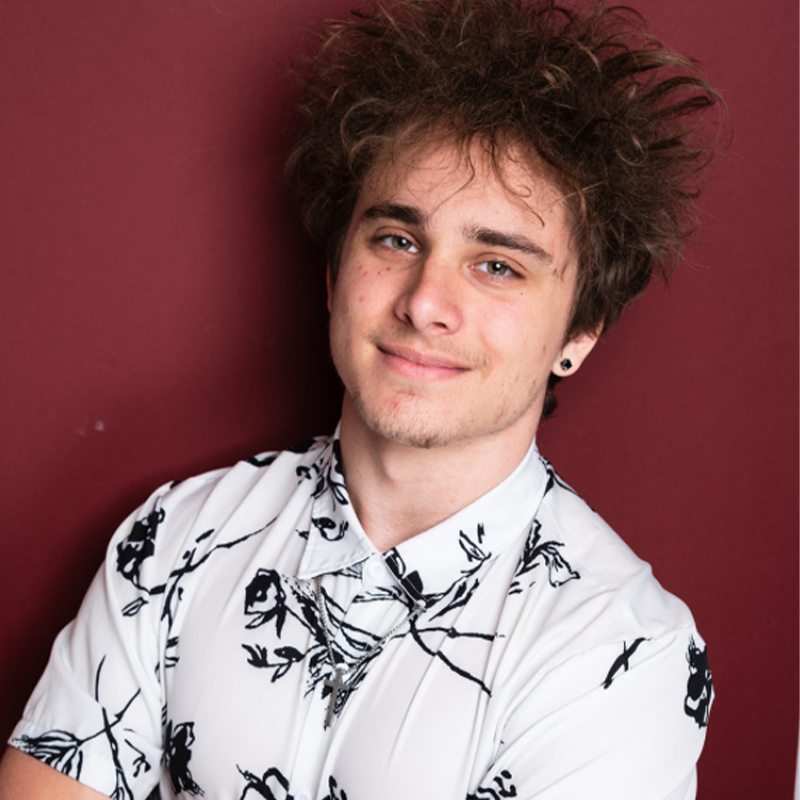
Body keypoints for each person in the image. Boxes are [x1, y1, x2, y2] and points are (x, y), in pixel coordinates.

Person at [0, 0, 720, 797]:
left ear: (580, 331)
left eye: (497, 266)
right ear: (336, 273)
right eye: (398, 240)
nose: (423, 302)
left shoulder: (619, 649)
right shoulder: (178, 539)